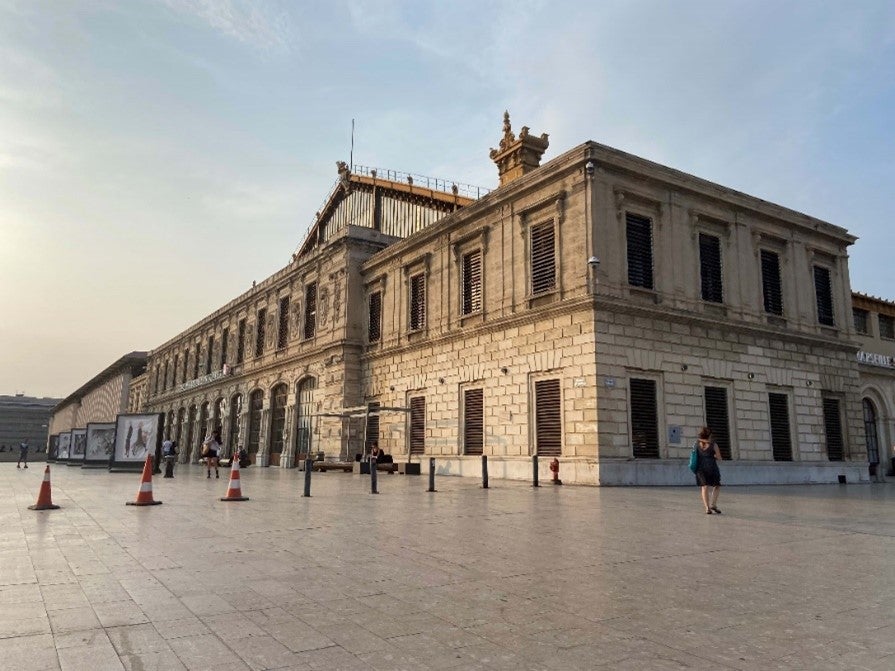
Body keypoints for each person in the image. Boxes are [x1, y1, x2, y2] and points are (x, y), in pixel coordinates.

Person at [694, 426, 722, 514]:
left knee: (704, 486)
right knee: (716, 485)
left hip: (700, 468)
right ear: (709, 435)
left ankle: (707, 508)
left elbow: (695, 455)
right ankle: (713, 504)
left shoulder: (697, 444)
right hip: (712, 467)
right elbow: (719, 458)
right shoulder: (713, 444)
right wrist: (713, 456)